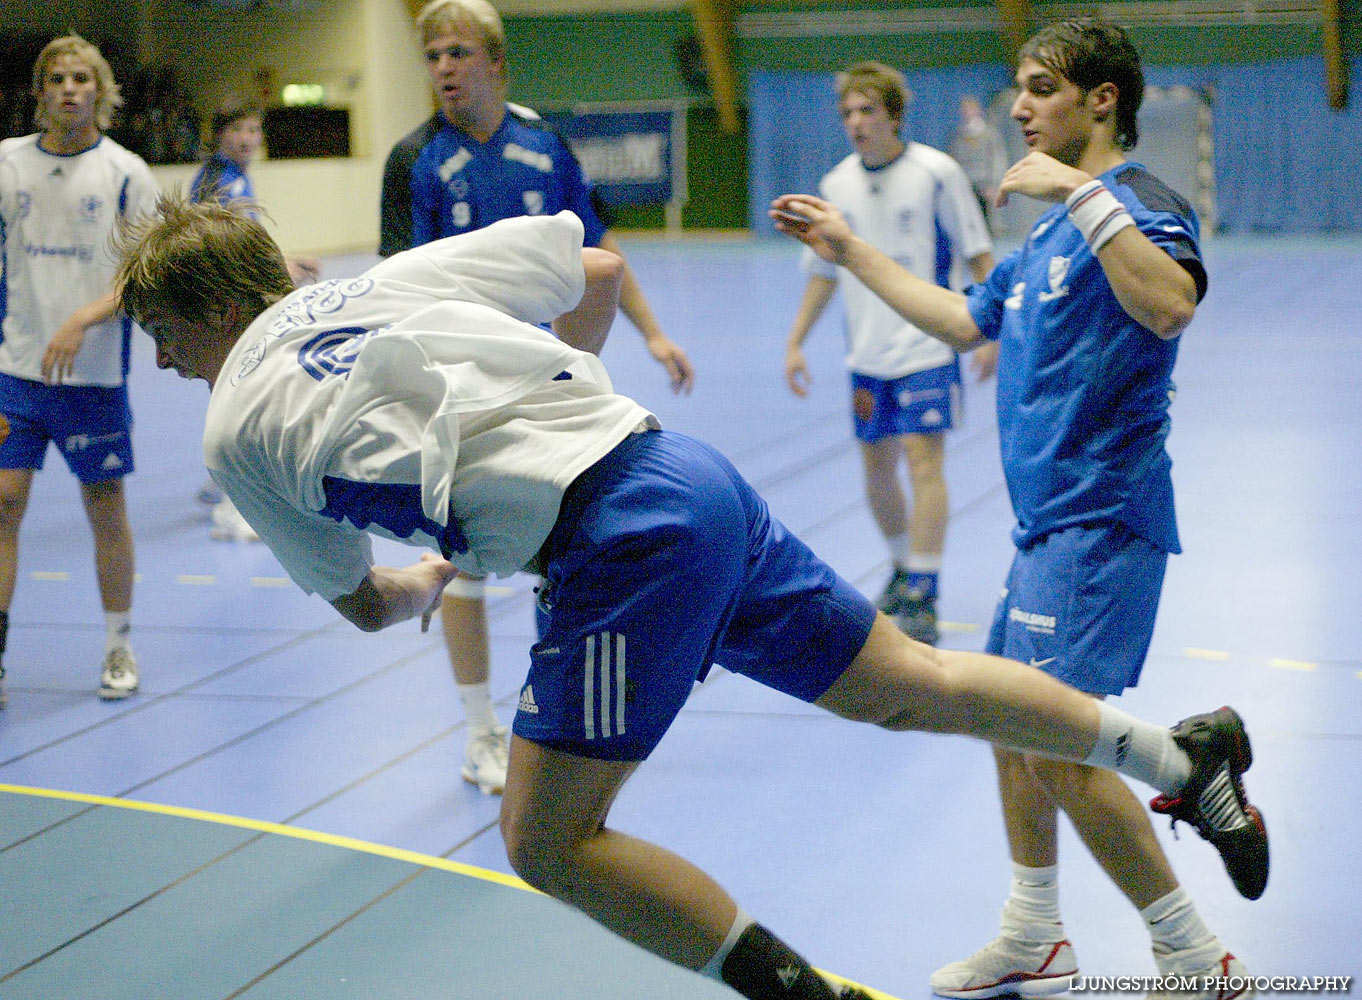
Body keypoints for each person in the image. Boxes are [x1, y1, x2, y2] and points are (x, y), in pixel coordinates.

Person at [115, 192, 1269, 1000]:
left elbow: (364, 606)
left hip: (619, 546)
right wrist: (570, 413)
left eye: (164, 335)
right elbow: (600, 275)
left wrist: (435, 568)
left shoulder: (232, 429)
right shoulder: (387, 282)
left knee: (545, 840)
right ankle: (1180, 757)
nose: (165, 364)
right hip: (681, 471)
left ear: (216, 309)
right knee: (905, 684)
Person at [773, 16, 1260, 998]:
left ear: (1100, 100)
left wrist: (1081, 193)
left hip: (1098, 521)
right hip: (1041, 527)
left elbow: (1168, 304)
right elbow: (961, 319)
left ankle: (1192, 955)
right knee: (1007, 723)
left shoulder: (1130, 203)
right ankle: (1035, 929)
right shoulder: (1042, 229)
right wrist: (846, 248)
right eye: (1017, 89)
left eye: (1040, 89)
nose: (1020, 107)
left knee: (1060, 744)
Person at [378, 0, 696, 796]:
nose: (444, 68)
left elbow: (598, 249)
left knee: (567, 548)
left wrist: (652, 333)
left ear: (494, 60)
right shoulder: (413, 160)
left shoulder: (543, 145)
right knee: (463, 559)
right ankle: (480, 731)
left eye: (458, 52)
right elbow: (387, 290)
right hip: (456, 389)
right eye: (433, 56)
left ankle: (563, 716)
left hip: (546, 382)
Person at [783, 62, 996, 646]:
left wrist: (993, 330)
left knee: (924, 462)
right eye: (848, 113)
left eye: (867, 110)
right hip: (867, 354)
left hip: (929, 344)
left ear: (894, 115)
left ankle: (925, 590)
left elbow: (979, 254)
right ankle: (904, 565)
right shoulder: (835, 186)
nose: (855, 123)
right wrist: (797, 340)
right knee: (876, 468)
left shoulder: (936, 172)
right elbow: (823, 273)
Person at [0, 34, 157, 708]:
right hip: (15, 371)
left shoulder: (126, 172)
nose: (69, 88)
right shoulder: (7, 164)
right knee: (4, 502)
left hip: (92, 380)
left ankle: (119, 643)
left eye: (81, 78)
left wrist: (83, 317)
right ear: (39, 92)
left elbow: (145, 275)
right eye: (56, 78)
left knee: (104, 508)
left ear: (100, 91)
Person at [189, 99, 321, 541]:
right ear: (220, 134)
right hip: (222, 305)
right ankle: (236, 506)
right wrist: (279, 263)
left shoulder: (225, 175)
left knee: (232, 389)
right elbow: (225, 244)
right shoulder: (222, 182)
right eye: (238, 130)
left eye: (254, 129)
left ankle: (221, 479)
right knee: (243, 391)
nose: (247, 138)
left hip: (224, 300)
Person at [949, 96, 1010, 235]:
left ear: (977, 111)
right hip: (966, 185)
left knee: (987, 226)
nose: (967, 113)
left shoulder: (990, 135)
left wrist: (994, 185)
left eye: (970, 109)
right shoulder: (958, 136)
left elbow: (997, 160)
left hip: (985, 186)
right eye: (964, 110)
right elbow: (954, 162)